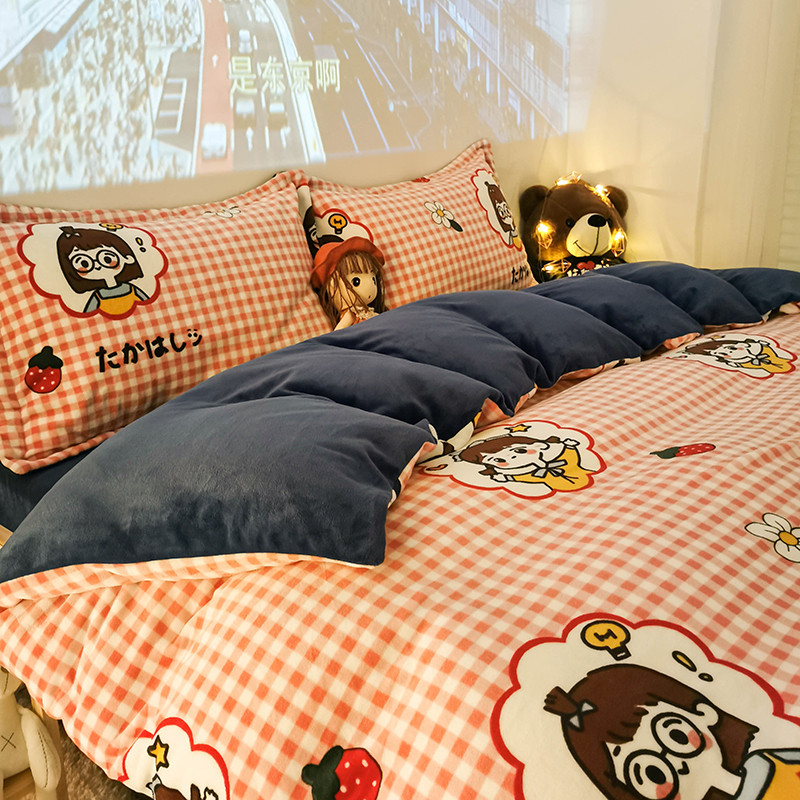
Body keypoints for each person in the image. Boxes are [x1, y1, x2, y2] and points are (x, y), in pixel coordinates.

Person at [310, 237, 387, 330]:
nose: (371, 287)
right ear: (332, 286)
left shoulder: (368, 312)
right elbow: (339, 331)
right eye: (356, 282)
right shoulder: (351, 314)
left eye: (373, 279)